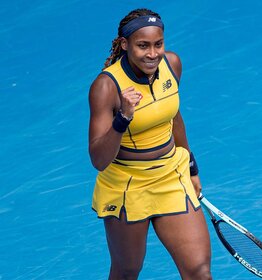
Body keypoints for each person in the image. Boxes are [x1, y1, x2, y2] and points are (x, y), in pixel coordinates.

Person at [88, 8, 212, 280]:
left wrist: (192, 168)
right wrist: (123, 117)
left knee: (199, 272)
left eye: (158, 44)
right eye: (143, 46)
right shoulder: (106, 87)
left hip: (171, 176)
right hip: (127, 185)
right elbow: (98, 159)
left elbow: (174, 118)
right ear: (125, 44)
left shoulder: (172, 64)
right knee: (127, 271)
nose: (152, 54)